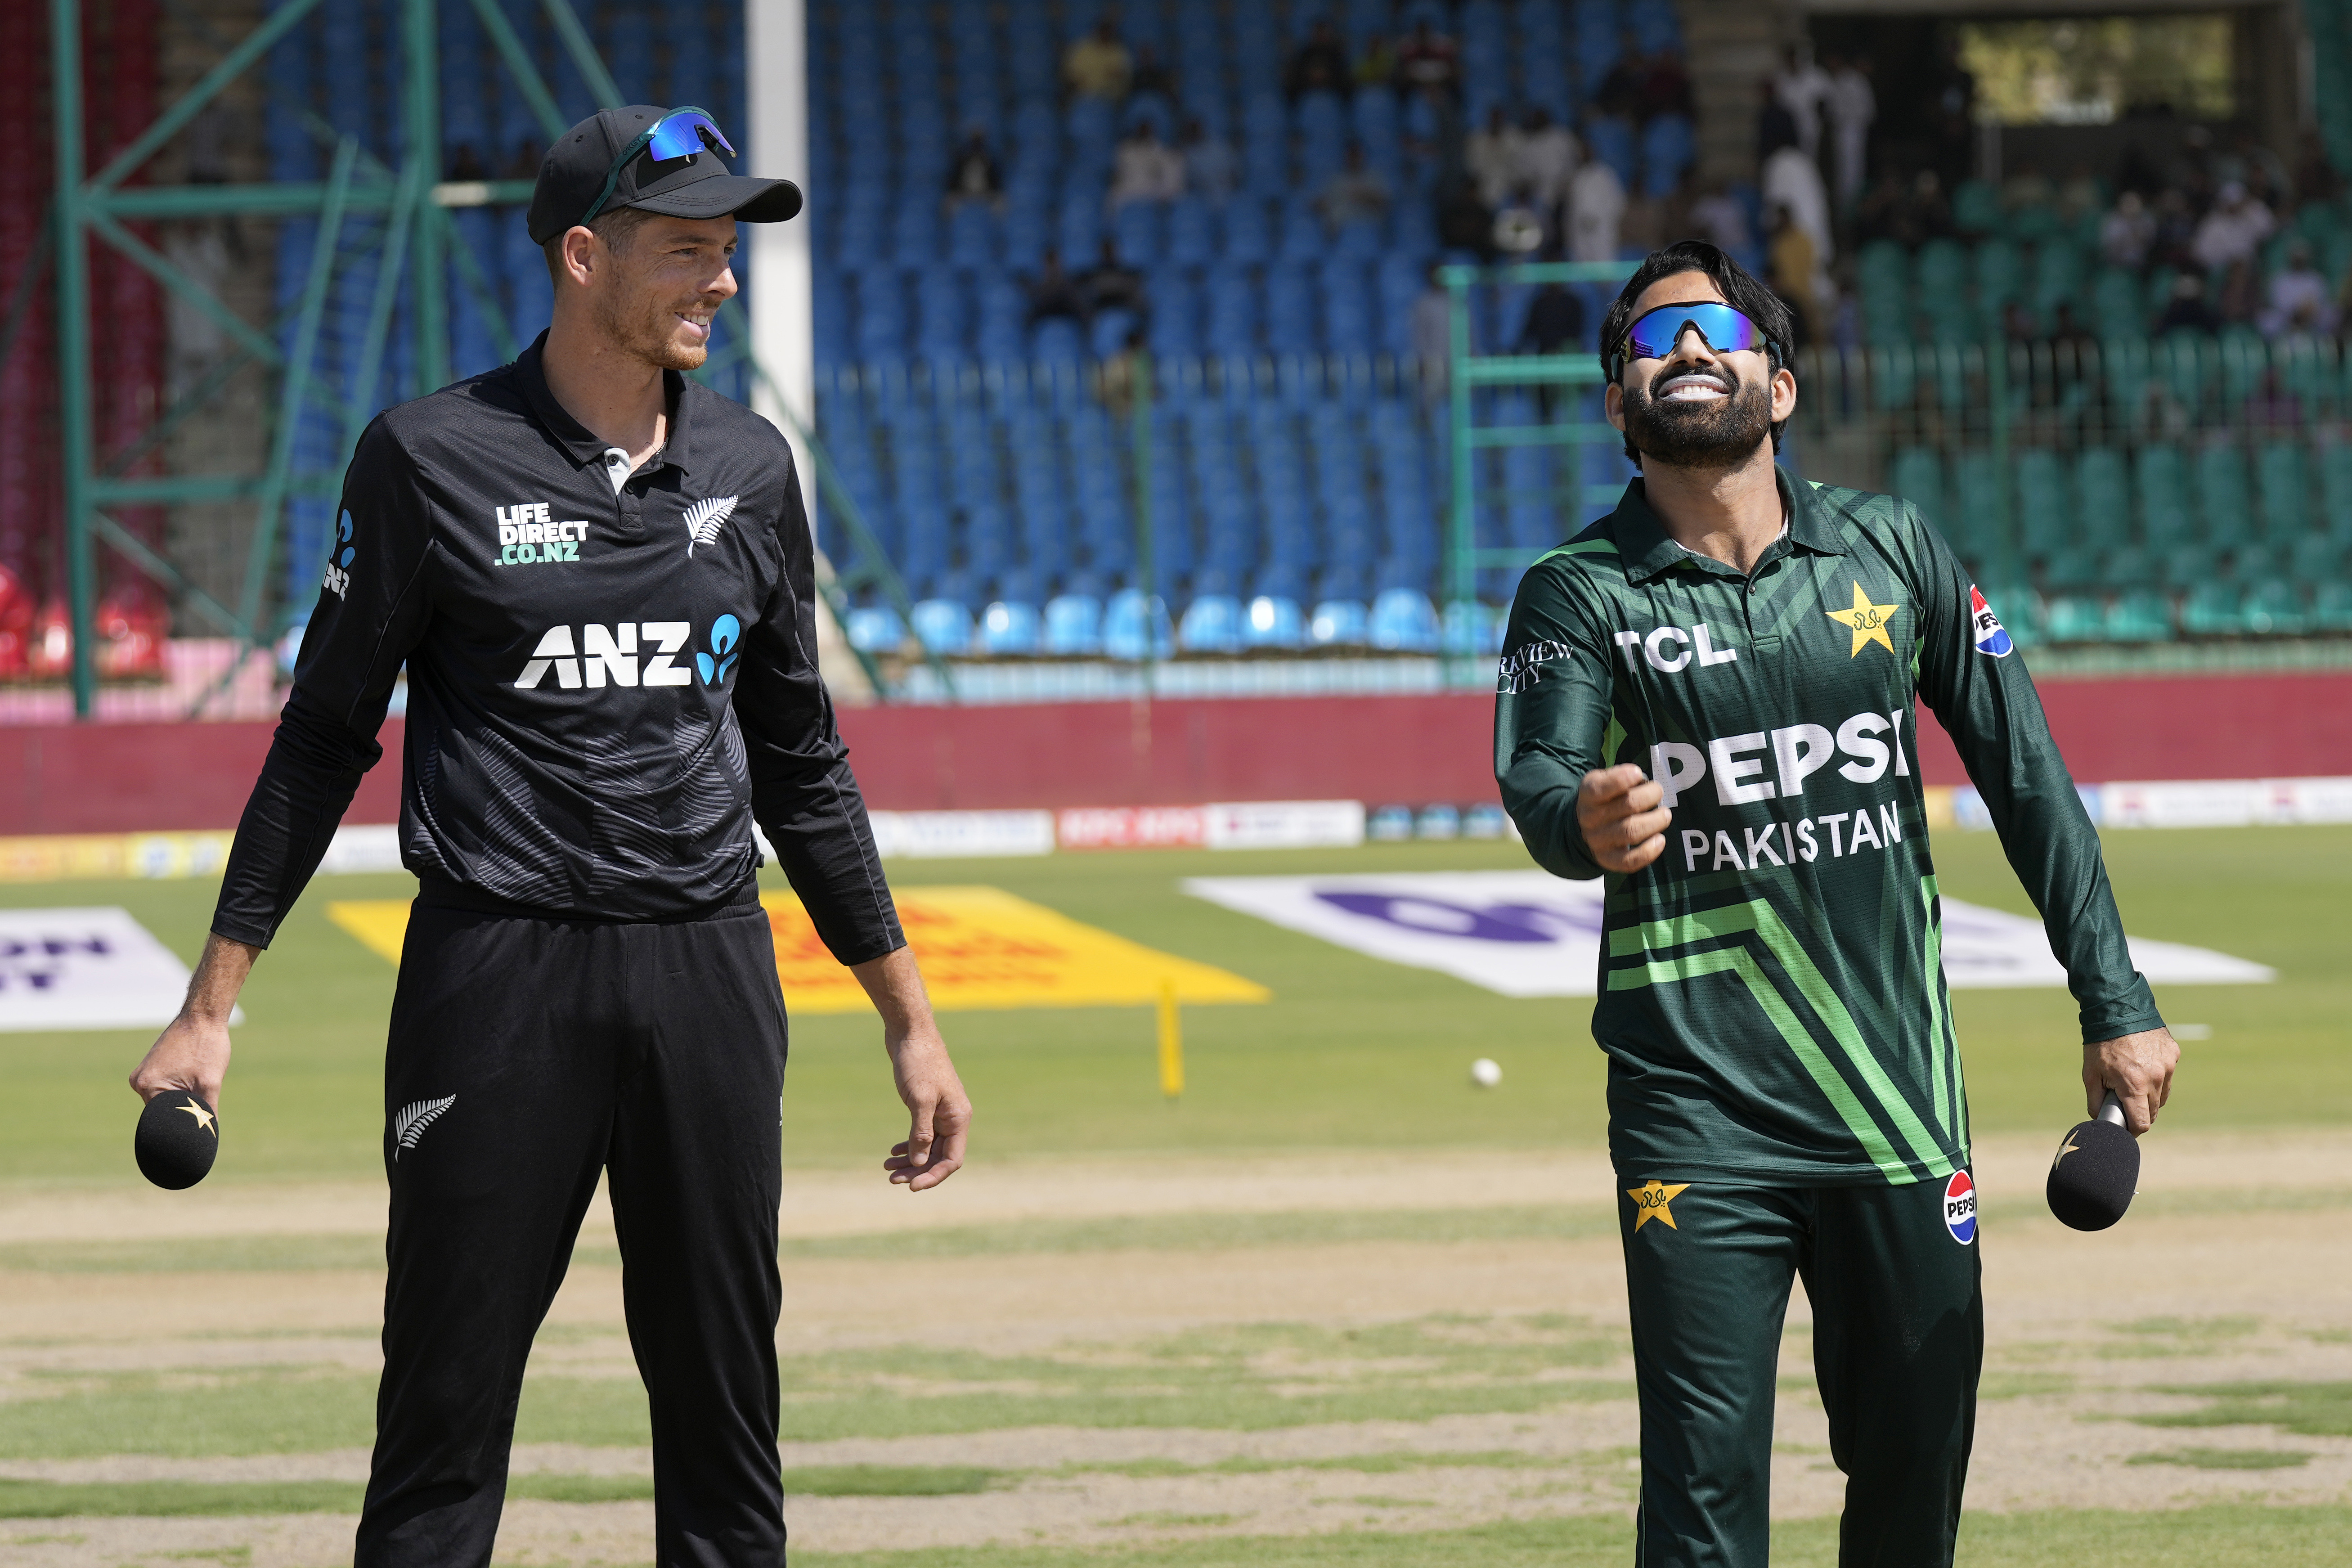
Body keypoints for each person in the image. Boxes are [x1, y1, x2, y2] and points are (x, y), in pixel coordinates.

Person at [129, 104, 975, 1567]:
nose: (719, 281)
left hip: (709, 971)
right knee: (441, 1432)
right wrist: (212, 1006)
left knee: (727, 1431)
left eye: (727, 250)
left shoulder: (756, 475)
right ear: (582, 256)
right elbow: (324, 734)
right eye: (686, 250)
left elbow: (802, 763)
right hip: (494, 975)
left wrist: (908, 1016)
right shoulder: (426, 458)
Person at [1494, 238, 2177, 1568]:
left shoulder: (1890, 551)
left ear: (1780, 385)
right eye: (1650, 339)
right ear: (1614, 404)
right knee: (1697, 1512)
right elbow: (1536, 773)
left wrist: (2113, 996)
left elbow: (2023, 776)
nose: (1684, 350)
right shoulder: (1574, 593)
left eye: (1714, 331)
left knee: (1909, 1490)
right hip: (1693, 1115)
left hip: (1892, 1104)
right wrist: (1578, 816)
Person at [2190, 181, 2275, 273]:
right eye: (2231, 204)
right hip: (2221, 271)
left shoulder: (2252, 214)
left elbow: (2269, 231)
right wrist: (2227, 261)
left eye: (2239, 202)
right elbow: (2200, 253)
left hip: (2250, 269)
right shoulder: (2213, 223)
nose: (2235, 207)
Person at [1823, 54, 1874, 208]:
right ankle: (1846, 209)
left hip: (1852, 131)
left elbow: (1869, 111)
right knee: (1843, 173)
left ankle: (1851, 208)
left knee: (1852, 173)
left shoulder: (1853, 81)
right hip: (1842, 131)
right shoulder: (1837, 81)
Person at [2258, 243, 2338, 338]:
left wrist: (2307, 311)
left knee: (2332, 314)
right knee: (2267, 321)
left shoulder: (2315, 279)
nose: (2299, 261)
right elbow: (2279, 304)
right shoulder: (2280, 279)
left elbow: (2319, 302)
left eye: (2301, 258)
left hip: (2312, 318)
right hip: (2287, 318)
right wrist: (2297, 311)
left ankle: (2326, 346)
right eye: (2297, 258)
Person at [1772, 42, 1831, 162]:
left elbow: (1826, 101)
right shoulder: (1782, 78)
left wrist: (1821, 121)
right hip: (1787, 127)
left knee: (1809, 157)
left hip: (1809, 124)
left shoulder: (1816, 77)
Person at [1107, 120, 1185, 208]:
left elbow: (1169, 179)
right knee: (1112, 198)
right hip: (1128, 189)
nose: (1143, 133)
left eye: (1146, 130)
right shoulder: (1126, 149)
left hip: (1150, 190)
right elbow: (1117, 174)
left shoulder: (1159, 150)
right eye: (1141, 130)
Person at [1315, 141, 1392, 228]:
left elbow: (1385, 204)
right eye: (1351, 156)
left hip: (1369, 219)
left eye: (1357, 156)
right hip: (1343, 220)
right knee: (1335, 213)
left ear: (1363, 157)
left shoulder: (1374, 178)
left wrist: (1364, 196)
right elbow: (1322, 203)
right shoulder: (1337, 179)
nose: (1354, 159)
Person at [1567, 154, 1626, 263]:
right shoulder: (1577, 177)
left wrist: (1608, 220)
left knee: (1605, 263)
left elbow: (1618, 201)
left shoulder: (1606, 175)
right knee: (1581, 263)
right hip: (1580, 228)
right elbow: (1573, 207)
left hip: (1602, 227)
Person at [1064, 15, 1132, 102]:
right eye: (1102, 32)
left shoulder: (1119, 51)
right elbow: (1071, 74)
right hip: (1083, 96)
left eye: (1108, 32)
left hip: (1111, 99)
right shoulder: (1083, 49)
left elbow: (1124, 76)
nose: (1105, 35)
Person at [1466, 106, 1522, 207]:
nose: (1496, 121)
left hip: (1509, 188)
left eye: (1499, 117)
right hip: (1484, 186)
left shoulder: (1514, 138)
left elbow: (1520, 167)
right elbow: (1473, 169)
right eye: (1494, 117)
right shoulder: (1477, 139)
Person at [1284, 16, 1351, 101]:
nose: (1321, 36)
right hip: (1307, 89)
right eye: (1319, 33)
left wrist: (1326, 77)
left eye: (1324, 33)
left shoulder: (1336, 54)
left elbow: (1342, 74)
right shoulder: (1306, 53)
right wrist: (1311, 77)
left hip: (1332, 89)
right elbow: (1298, 73)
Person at [1179, 116, 1237, 202]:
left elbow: (1235, 173)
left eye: (1195, 131)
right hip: (1200, 198)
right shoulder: (1185, 154)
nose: (1194, 134)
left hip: (1226, 192)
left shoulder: (1220, 148)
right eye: (1190, 132)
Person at [1024, 245, 1085, 325]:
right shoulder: (1040, 289)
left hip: (1067, 313)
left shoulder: (1069, 288)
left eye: (1055, 263)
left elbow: (1081, 312)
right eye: (1049, 264)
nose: (1053, 268)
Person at [944, 128, 1002, 209]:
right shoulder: (962, 158)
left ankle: (999, 222)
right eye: (975, 140)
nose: (977, 144)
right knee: (949, 201)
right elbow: (954, 178)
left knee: (1000, 202)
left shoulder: (989, 159)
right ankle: (951, 222)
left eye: (979, 140)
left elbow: (996, 180)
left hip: (985, 193)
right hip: (964, 192)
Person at [2099, 190, 2154, 270]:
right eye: (2127, 203)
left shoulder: (2147, 220)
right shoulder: (2112, 221)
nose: (2130, 206)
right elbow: (2108, 245)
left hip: (2140, 266)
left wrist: (2134, 225)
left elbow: (2150, 242)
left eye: (2133, 203)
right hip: (2114, 263)